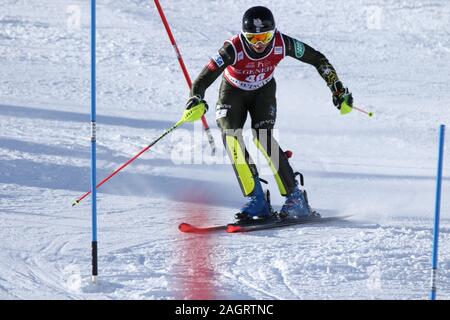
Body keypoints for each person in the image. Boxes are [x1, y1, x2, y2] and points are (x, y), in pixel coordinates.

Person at [185, 6, 353, 222]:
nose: (259, 43)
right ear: (244, 36)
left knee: (263, 136)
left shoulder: (283, 43)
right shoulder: (232, 48)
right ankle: (257, 200)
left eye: (265, 36)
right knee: (230, 136)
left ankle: (296, 198)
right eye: (253, 39)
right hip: (233, 92)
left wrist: (337, 89)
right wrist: (195, 98)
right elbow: (203, 78)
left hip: (263, 92)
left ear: (273, 33)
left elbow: (318, 59)